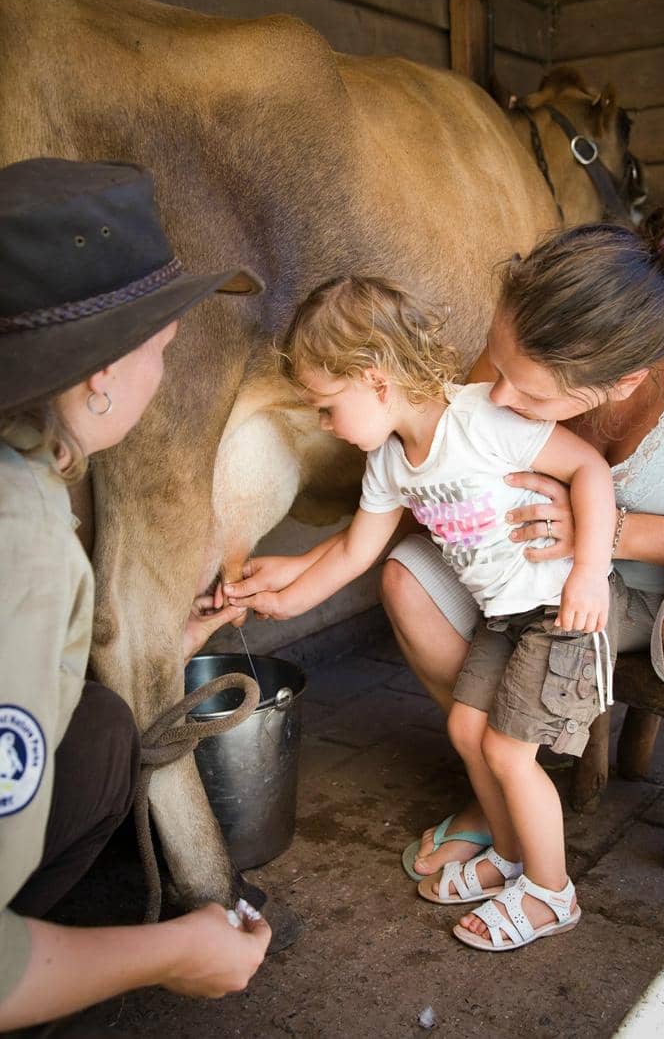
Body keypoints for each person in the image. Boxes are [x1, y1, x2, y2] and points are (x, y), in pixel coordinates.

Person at [370, 209, 664, 1028]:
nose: (498, 393)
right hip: (557, 580)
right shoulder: (527, 339)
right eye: (498, 364)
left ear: (623, 382)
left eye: (528, 391)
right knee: (407, 581)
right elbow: (450, 449)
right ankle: (506, 797)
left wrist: (610, 533)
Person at [225, 274, 619, 953]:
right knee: (468, 730)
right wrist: (277, 600)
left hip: (556, 610)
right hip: (503, 618)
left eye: (325, 406)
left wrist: (588, 571)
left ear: (375, 381)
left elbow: (588, 470)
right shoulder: (388, 464)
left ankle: (553, 894)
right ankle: (508, 854)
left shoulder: (480, 419)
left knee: (505, 749)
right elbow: (354, 552)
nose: (324, 425)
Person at [0, 158, 271, 1032]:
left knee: (100, 728)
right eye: (160, 348)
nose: (166, 370)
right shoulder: (29, 545)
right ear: (96, 377)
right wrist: (175, 954)